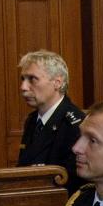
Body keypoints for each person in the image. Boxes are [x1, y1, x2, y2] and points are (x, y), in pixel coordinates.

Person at [17, 49, 83, 188]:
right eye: (23, 79)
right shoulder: (32, 119)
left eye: (32, 79)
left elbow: (72, 181)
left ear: (57, 83)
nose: (23, 87)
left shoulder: (74, 124)